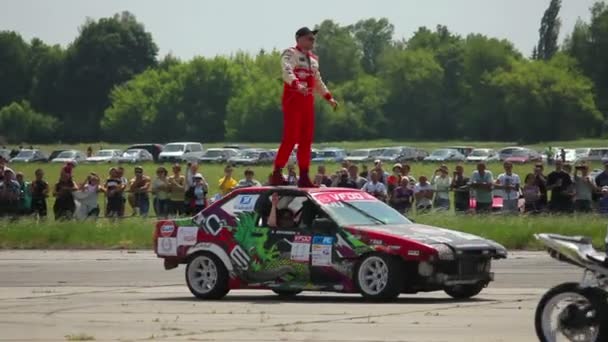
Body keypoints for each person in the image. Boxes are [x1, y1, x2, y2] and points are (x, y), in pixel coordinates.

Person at [270, 27, 338, 187]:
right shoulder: (290, 53)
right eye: (309, 38)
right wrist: (296, 84)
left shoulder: (313, 59)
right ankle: (277, 172)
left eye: (313, 39)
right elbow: (286, 71)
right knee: (291, 138)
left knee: (306, 141)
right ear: (299, 38)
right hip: (293, 100)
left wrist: (329, 97)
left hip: (308, 103)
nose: (312, 42)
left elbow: (318, 81)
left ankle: (304, 176)